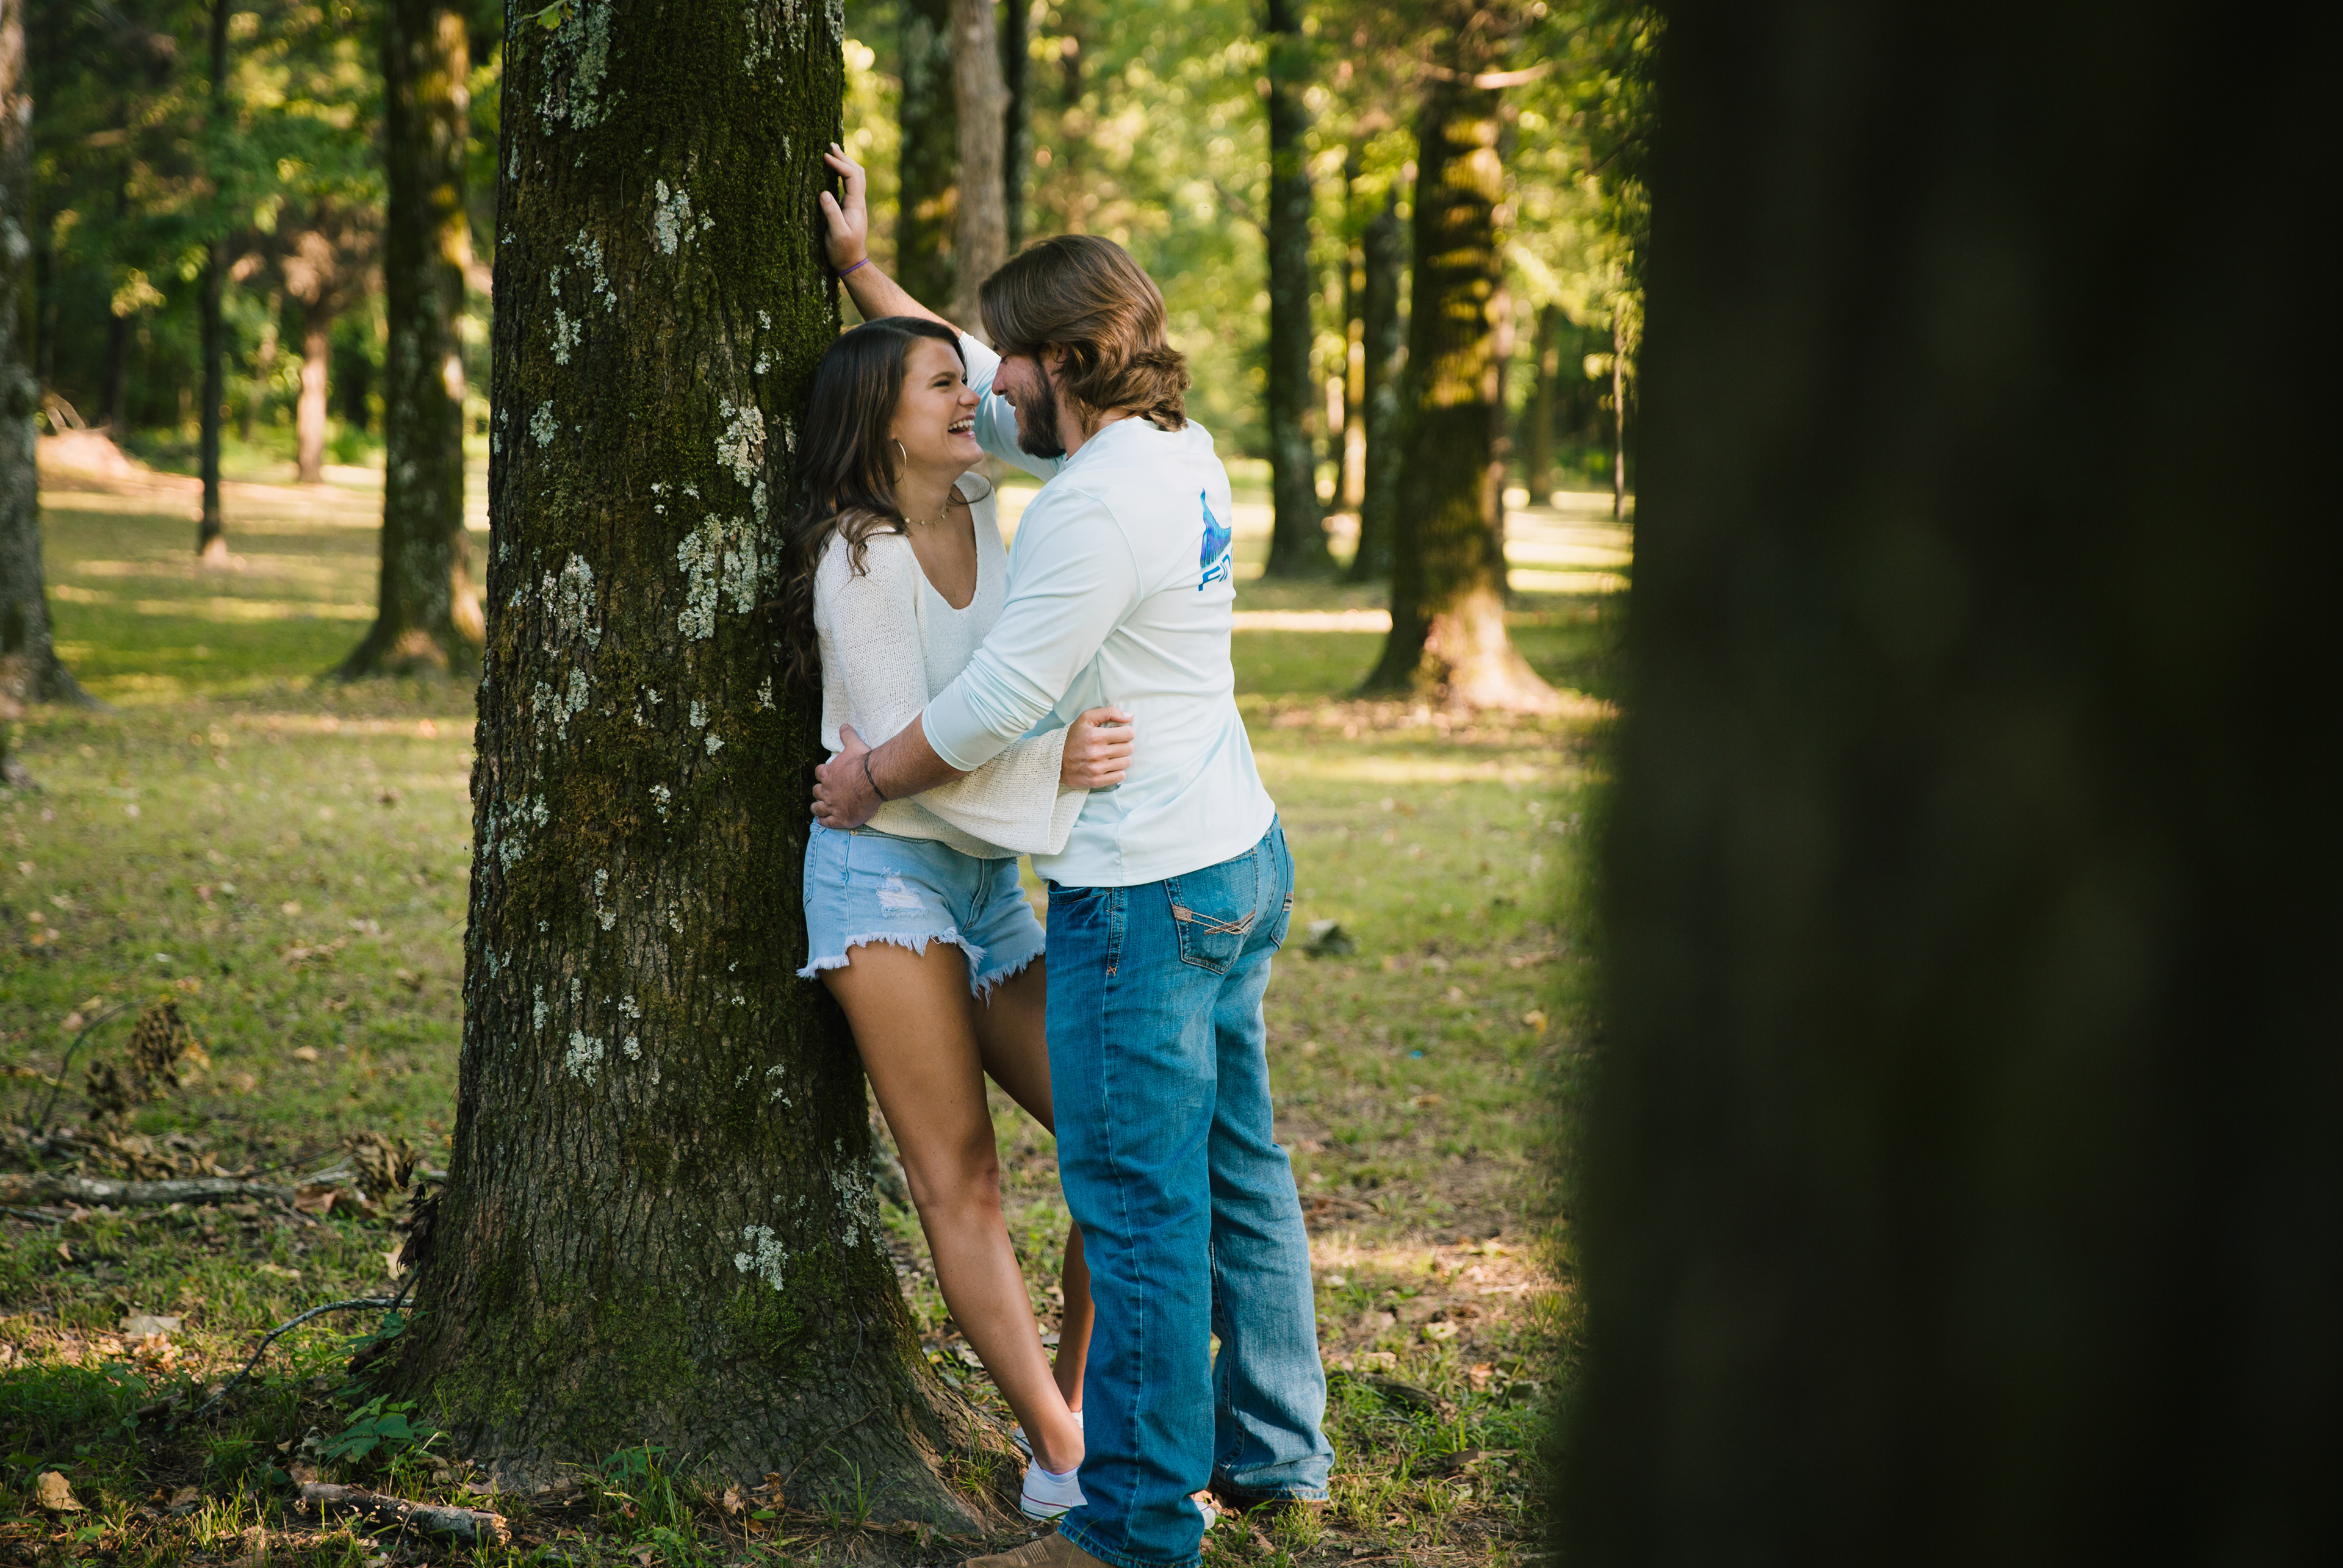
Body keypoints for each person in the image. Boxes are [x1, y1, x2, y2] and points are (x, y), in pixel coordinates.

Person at [812, 146, 1333, 1568]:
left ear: (1066, 364)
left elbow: (988, 710)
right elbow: (964, 363)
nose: (987, 385)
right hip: (1237, 845)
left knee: (1138, 1203)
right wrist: (865, 271)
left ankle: (1129, 1530)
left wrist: (865, 773)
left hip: (1146, 886)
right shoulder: (1168, 443)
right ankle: (1277, 1448)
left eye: (1010, 365)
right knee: (1235, 1163)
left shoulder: (1089, 506)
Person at [780, 312, 1141, 1520]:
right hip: (883, 878)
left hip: (985, 884)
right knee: (964, 1181)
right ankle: (1060, 1457)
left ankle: (1075, 1407)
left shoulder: (984, 509)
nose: (973, 398)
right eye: (941, 385)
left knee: (1114, 1140)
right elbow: (896, 760)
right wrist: (1058, 772)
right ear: (882, 418)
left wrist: (866, 267)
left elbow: (1007, 375)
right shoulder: (862, 561)